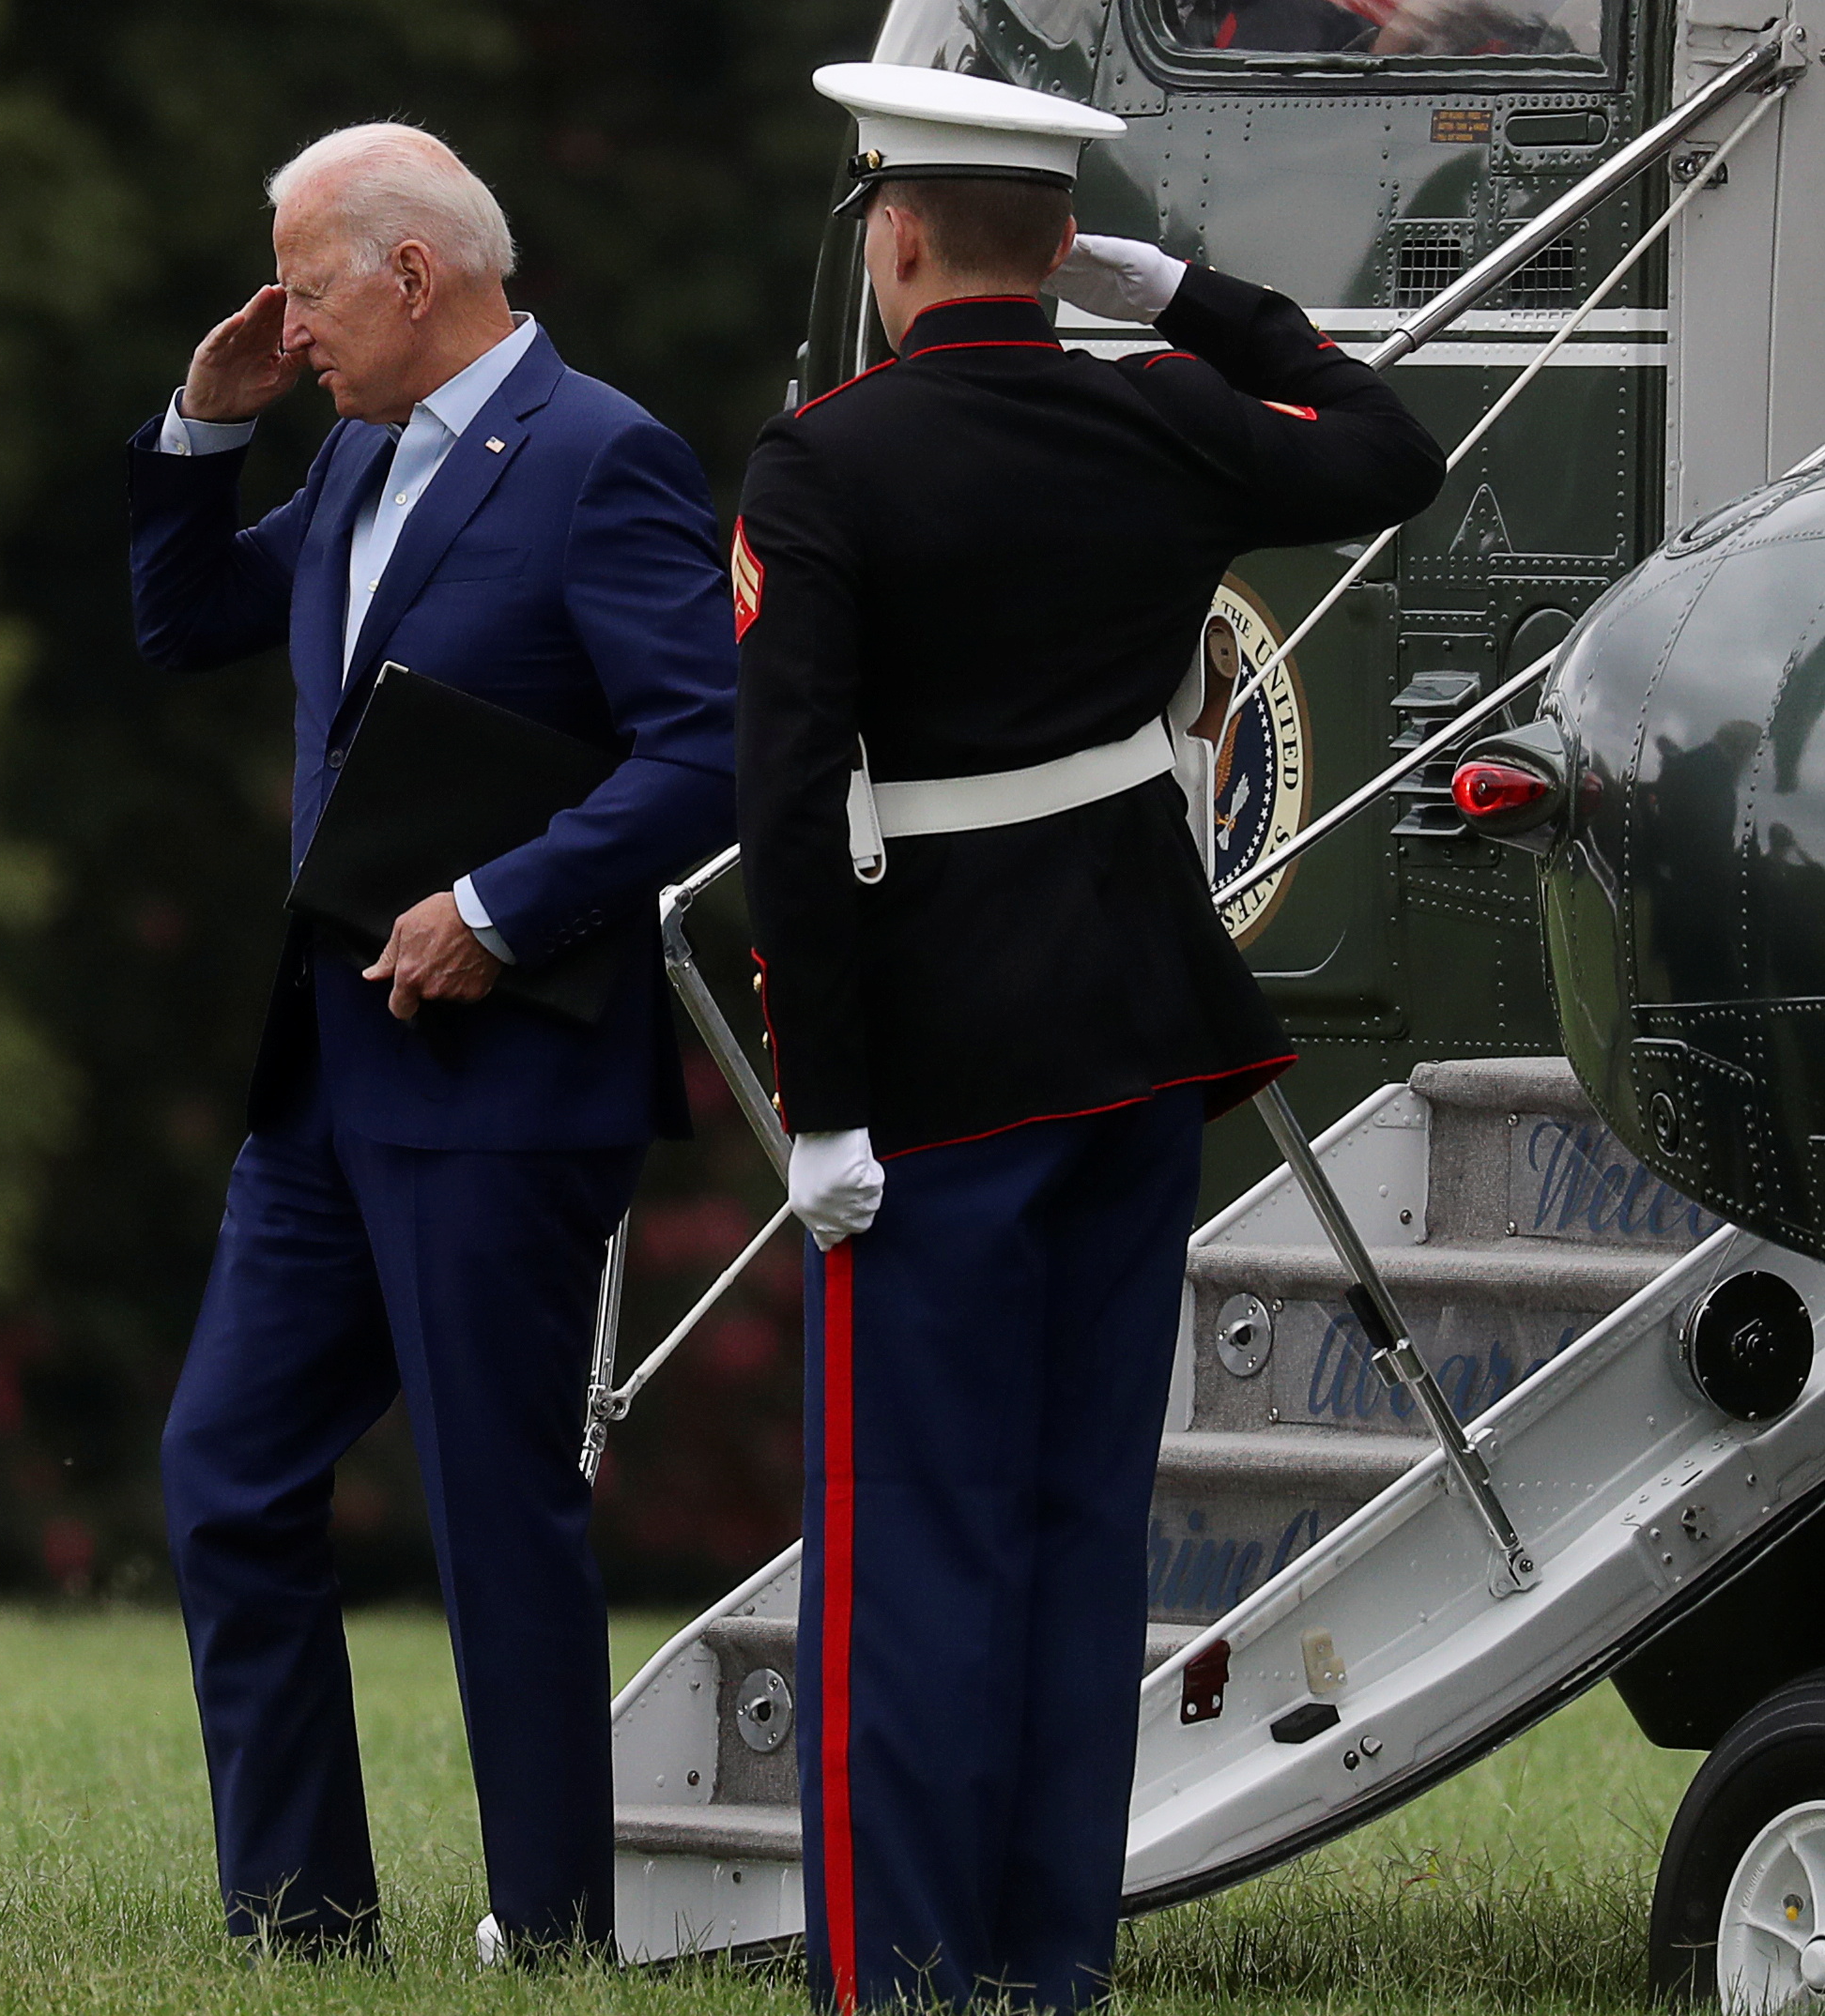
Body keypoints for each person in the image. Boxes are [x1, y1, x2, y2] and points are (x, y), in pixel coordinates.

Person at [733, 65, 1443, 2013]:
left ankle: (896, 1981)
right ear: (1061, 246)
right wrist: (1195, 301)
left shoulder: (824, 464)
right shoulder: (1158, 414)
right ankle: (1047, 1973)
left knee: (907, 1555)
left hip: (938, 1085)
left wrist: (822, 1111)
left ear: (889, 233)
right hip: (1137, 1040)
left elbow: (794, 808)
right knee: (1066, 1537)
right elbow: (1389, 446)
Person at [130, 123, 738, 1961]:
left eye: (305, 288)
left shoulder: (598, 456)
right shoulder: (352, 454)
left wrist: (496, 906)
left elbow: (707, 747)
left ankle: (551, 1932)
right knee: (224, 1474)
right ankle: (299, 1930)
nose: (288, 324)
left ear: (411, 275)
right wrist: (202, 423)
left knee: (494, 1517)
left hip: (502, 1085)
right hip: (326, 1079)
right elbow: (179, 623)